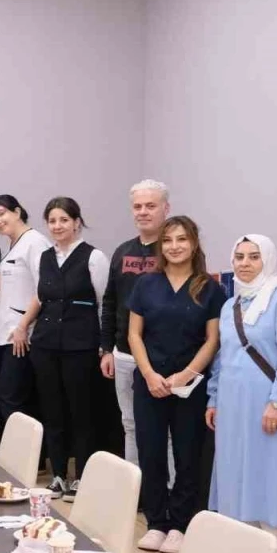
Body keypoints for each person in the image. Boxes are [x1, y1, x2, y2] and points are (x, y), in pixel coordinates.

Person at [127, 216, 224, 553]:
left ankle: (180, 524)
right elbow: (134, 334)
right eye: (168, 240)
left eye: (182, 239)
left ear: (194, 243)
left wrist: (186, 374)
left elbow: (212, 340)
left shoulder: (210, 288)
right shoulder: (146, 284)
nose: (174, 246)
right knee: (151, 453)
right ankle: (156, 522)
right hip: (150, 382)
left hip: (190, 386)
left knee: (188, 454)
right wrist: (149, 374)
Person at [206, 235, 277, 553]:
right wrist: (213, 399)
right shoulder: (230, 306)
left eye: (254, 257)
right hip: (232, 407)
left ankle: (276, 552)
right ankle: (242, 550)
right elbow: (223, 357)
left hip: (268, 406)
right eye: (239, 257)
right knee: (236, 472)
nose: (245, 264)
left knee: (270, 473)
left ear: (268, 260)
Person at [13, 197, 108, 501]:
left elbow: (104, 303)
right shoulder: (44, 257)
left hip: (81, 346)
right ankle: (57, 476)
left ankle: (81, 477)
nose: (57, 226)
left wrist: (105, 346)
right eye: (52, 221)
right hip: (45, 345)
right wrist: (22, 326)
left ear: (77, 222)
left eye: (64, 220)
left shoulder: (93, 257)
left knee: (82, 412)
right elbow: (40, 296)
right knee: (52, 411)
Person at [101, 180, 171, 467]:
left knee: (165, 429)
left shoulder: (175, 250)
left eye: (150, 206)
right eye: (138, 206)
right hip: (124, 355)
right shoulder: (122, 251)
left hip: (162, 357)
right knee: (129, 423)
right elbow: (110, 301)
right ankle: (135, 485)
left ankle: (166, 487)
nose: (143, 212)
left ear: (166, 208)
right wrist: (106, 348)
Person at [0, 194, 49, 432]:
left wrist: (23, 326)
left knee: (10, 398)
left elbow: (43, 289)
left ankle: (25, 452)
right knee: (13, 398)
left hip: (22, 336)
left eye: (1, 214)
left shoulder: (35, 242)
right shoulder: (12, 245)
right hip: (5, 334)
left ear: (17, 211)